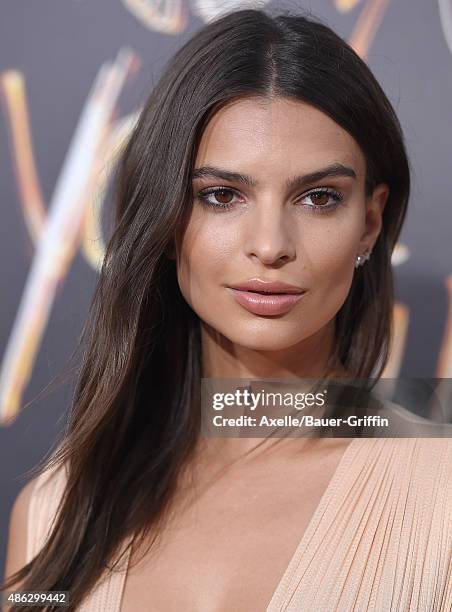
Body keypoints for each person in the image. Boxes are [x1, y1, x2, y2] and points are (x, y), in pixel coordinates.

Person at [3, 7, 451, 612]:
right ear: (164, 218)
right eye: (221, 196)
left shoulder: (441, 498)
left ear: (369, 223)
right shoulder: (54, 512)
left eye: (319, 197)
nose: (269, 245)